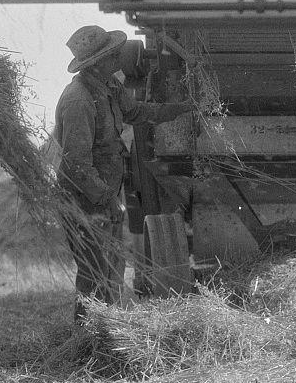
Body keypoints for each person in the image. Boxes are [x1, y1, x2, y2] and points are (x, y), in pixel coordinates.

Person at [53, 25, 193, 308]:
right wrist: (107, 199)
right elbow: (76, 165)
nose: (119, 58)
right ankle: (88, 330)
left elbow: (136, 112)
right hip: (84, 199)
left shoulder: (108, 86)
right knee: (94, 273)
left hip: (102, 194)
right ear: (96, 63)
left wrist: (178, 109)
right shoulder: (79, 101)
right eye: (112, 55)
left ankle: (104, 327)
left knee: (110, 270)